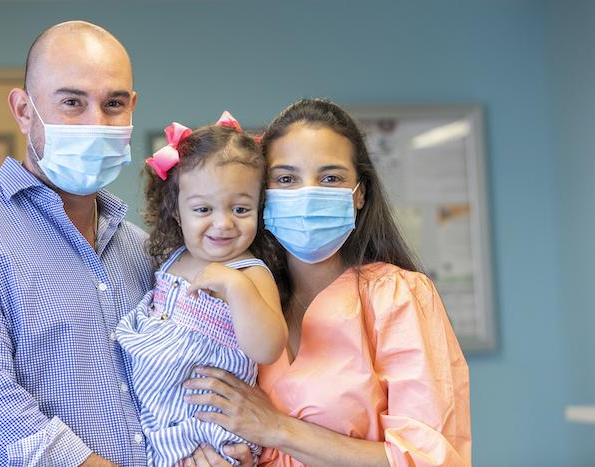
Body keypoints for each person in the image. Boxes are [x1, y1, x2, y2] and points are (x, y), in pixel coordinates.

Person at [0, 20, 242, 467]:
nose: (95, 122)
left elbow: (172, 379)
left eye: (113, 104)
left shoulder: (144, 252)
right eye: (72, 103)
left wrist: (208, 448)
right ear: (24, 110)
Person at [182, 98, 472, 466]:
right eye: (286, 179)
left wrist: (277, 429)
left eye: (330, 178)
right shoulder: (238, 298)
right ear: (260, 195)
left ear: (360, 193)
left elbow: (428, 460)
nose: (307, 193)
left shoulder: (396, 296)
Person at [116, 112, 287, 467]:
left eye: (241, 209)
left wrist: (235, 287)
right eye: (203, 209)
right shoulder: (173, 258)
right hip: (157, 421)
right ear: (176, 211)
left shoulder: (250, 273)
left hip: (207, 430)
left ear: (260, 207)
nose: (223, 223)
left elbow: (268, 348)